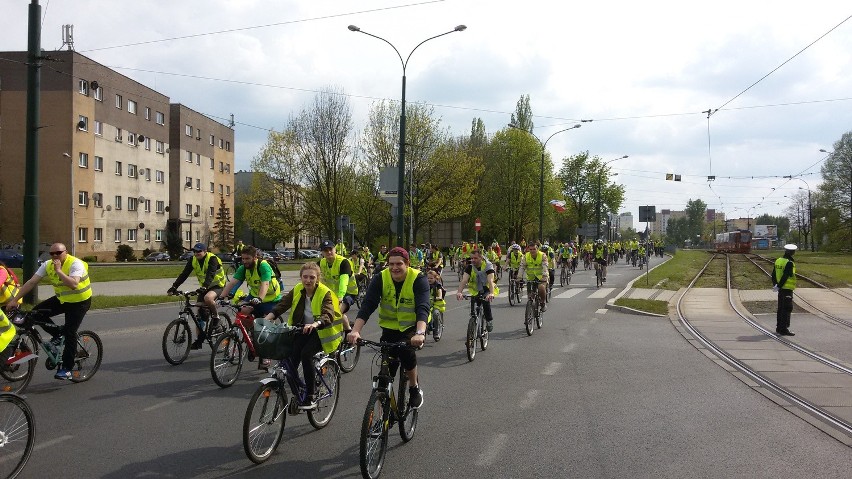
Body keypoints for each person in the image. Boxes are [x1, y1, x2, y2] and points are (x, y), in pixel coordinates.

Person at [347, 247, 427, 409]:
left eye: (399, 264)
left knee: (406, 353)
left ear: (407, 264)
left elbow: (422, 307)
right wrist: (355, 330)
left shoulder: (418, 278)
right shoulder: (380, 278)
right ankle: (384, 412)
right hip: (389, 329)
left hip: (411, 327)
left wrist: (419, 333)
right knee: (385, 374)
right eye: (391, 264)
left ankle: (414, 387)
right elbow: (368, 305)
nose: (394, 268)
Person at [4, 243, 91, 380]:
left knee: (70, 332)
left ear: (66, 252)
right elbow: (31, 282)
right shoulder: (47, 264)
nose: (55, 256)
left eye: (58, 252)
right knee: (36, 313)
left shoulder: (75, 264)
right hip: (62, 299)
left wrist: (59, 271)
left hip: (79, 302)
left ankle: (67, 369)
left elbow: (74, 284)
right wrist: (15, 299)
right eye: (52, 254)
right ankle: (57, 335)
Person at [264, 262, 343, 409]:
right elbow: (283, 305)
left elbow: (328, 314)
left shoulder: (324, 292)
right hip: (301, 329)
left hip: (321, 331)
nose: (308, 280)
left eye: (312, 277)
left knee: (306, 355)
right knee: (290, 359)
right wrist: (267, 319)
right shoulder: (298, 289)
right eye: (305, 277)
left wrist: (315, 324)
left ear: (317, 278)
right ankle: (298, 391)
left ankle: (311, 395)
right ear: (301, 277)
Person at [168, 242, 226, 349]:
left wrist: (205, 286)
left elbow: (211, 273)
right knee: (200, 313)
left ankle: (216, 317)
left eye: (199, 251)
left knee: (208, 298)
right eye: (194, 251)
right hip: (204, 287)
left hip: (218, 285)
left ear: (205, 251)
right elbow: (184, 274)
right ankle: (199, 340)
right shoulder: (193, 260)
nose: (196, 253)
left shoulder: (212, 259)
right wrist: (174, 287)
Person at [220, 245, 282, 320]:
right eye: (243, 258)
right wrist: (221, 297)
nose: (244, 261)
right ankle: (249, 330)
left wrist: (259, 298)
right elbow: (232, 283)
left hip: (271, 298)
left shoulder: (263, 266)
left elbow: (265, 283)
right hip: (254, 296)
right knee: (241, 313)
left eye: (247, 258)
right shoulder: (243, 268)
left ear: (255, 257)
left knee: (266, 322)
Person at [317, 240, 356, 333]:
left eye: (330, 249)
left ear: (335, 249)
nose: (329, 252)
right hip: (332, 294)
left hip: (348, 293)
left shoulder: (343, 262)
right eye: (326, 250)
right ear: (322, 253)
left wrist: (340, 296)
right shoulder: (321, 263)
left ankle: (348, 333)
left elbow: (344, 280)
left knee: (336, 312)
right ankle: (348, 328)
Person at [455, 249, 497, 332]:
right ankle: (474, 322)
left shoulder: (488, 265)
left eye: (475, 258)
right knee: (474, 307)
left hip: (487, 288)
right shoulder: (470, 267)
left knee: (485, 301)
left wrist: (491, 293)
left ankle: (489, 320)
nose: (473, 260)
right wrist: (459, 292)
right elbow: (464, 280)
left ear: (481, 257)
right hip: (476, 290)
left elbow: (490, 281)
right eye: (472, 258)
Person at [773, 244, 797, 336]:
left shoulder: (778, 260)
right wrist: (779, 285)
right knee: (787, 308)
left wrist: (775, 285)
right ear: (792, 252)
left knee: (780, 308)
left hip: (780, 289)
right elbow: (786, 276)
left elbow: (773, 274)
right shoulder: (789, 263)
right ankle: (784, 329)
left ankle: (779, 327)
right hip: (787, 288)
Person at [517, 242, 549, 312]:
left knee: (541, 288)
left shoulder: (542, 255)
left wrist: (544, 276)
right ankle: (530, 313)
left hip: (541, 277)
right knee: (530, 297)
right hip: (530, 278)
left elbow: (545, 266)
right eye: (530, 249)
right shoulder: (526, 256)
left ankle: (543, 303)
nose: (532, 251)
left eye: (534, 249)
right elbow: (522, 267)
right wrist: (519, 277)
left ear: (537, 249)